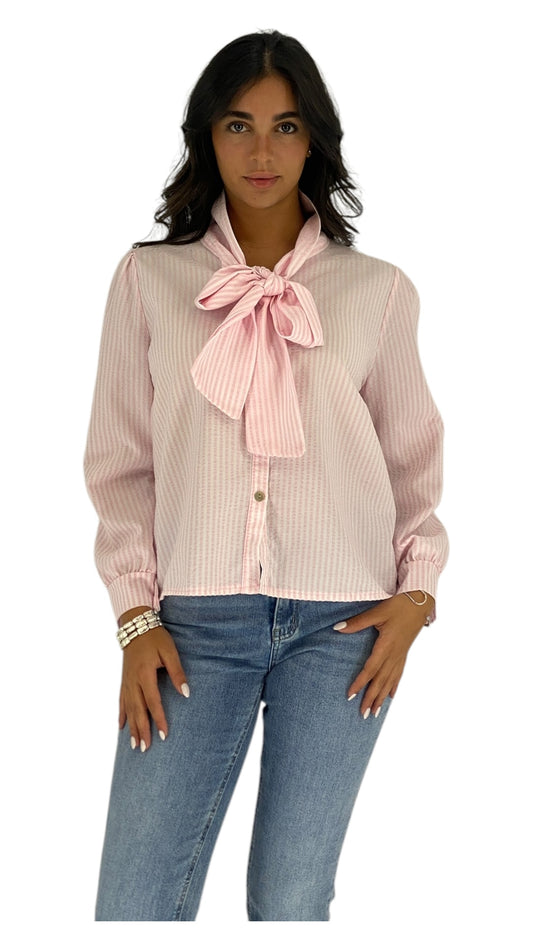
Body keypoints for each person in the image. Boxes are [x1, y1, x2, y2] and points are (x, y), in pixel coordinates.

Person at [84, 29, 448, 922]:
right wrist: (134, 616)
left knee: (290, 902)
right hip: (191, 629)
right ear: (206, 137)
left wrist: (417, 595)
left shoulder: (378, 290)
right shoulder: (147, 280)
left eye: (285, 127)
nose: (260, 151)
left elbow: (412, 461)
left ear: (313, 139)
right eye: (237, 125)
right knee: (133, 904)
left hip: (343, 629)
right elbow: (121, 463)